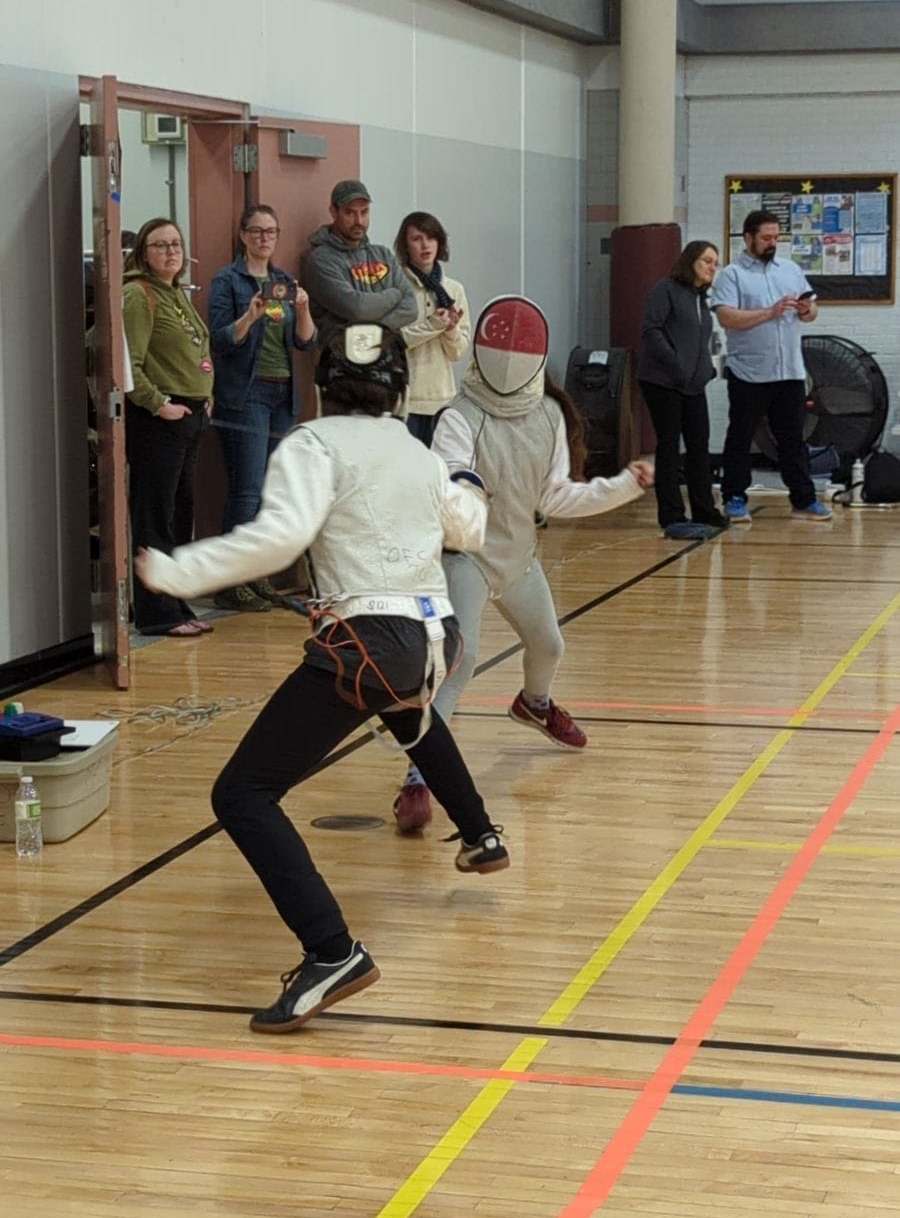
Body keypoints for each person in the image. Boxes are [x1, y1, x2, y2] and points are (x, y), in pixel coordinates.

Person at [135, 323, 509, 1034]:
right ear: (397, 387)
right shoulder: (416, 449)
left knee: (241, 793)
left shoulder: (312, 442)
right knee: (405, 709)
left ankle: (331, 951)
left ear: (324, 384)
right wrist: (463, 484)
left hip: (374, 639)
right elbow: (469, 531)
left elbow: (280, 537)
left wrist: (178, 572)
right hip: (437, 637)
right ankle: (481, 834)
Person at [393, 296, 653, 835]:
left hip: (518, 555)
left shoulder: (549, 413)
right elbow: (449, 482)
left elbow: (555, 496)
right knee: (458, 667)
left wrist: (625, 486)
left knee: (549, 645)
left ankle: (535, 704)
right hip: (466, 558)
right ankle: (418, 775)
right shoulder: (459, 416)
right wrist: (461, 488)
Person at [206, 204, 318, 611]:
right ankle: (232, 580)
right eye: (256, 232)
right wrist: (250, 316)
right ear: (243, 235)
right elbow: (220, 340)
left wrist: (303, 309)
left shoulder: (284, 280)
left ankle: (258, 575)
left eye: (271, 232)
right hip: (246, 395)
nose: (264, 239)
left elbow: (306, 342)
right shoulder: (228, 280)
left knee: (270, 492)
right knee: (246, 490)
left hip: (282, 394)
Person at [123, 217, 214, 637]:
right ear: (144, 252)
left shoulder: (176, 294)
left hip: (190, 418)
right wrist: (159, 405)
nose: (171, 252)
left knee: (181, 514)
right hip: (159, 421)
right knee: (155, 515)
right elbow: (129, 366)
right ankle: (156, 612)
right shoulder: (139, 296)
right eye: (160, 245)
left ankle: (177, 602)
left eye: (176, 244)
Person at [711, 208, 832, 523]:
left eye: (776, 238)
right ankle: (735, 497)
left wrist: (807, 310)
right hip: (749, 371)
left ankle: (804, 499)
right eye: (765, 238)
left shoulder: (790, 270)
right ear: (748, 237)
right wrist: (770, 312)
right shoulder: (732, 274)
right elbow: (727, 317)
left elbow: (812, 311)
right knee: (741, 436)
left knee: (792, 438)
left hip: (789, 370)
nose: (771, 243)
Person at [638, 240, 727, 540]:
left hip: (693, 383)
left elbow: (701, 343)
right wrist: (676, 364)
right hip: (663, 381)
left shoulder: (701, 299)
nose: (712, 267)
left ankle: (704, 509)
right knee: (669, 446)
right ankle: (672, 515)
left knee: (699, 445)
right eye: (707, 261)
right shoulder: (666, 290)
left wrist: (706, 369)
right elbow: (652, 330)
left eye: (715, 262)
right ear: (690, 262)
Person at [301, 179, 417, 350]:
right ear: (333, 212)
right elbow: (358, 308)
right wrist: (394, 294)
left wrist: (370, 333)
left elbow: (411, 308)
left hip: (387, 363)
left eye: (364, 212)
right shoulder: (321, 260)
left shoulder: (383, 254)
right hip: (343, 363)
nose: (359, 221)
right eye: (350, 213)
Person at [394, 211, 471, 445]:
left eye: (431, 237)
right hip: (405, 400)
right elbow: (396, 342)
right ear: (406, 246)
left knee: (440, 472)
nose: (425, 245)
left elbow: (457, 352)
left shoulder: (454, 290)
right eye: (416, 239)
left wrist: (450, 329)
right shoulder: (397, 286)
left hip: (442, 399)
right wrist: (434, 325)